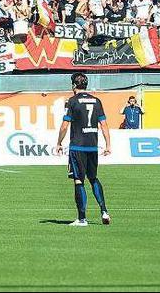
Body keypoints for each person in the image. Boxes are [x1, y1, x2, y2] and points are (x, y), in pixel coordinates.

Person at [55, 73, 112, 227]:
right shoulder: (97, 101)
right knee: (93, 178)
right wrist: (108, 145)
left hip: (77, 146)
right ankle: (104, 211)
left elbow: (65, 125)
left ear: (74, 85)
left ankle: (82, 219)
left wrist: (59, 142)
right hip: (92, 146)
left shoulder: (72, 101)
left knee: (78, 180)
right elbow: (104, 124)